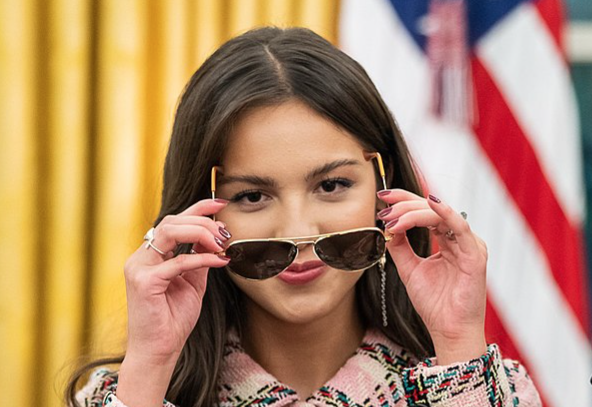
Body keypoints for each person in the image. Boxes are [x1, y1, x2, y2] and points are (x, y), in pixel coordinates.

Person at [67, 27, 541, 407]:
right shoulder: (125, 395)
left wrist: (458, 346)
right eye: (252, 195)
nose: (299, 232)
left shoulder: (490, 388)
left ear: (384, 186)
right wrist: (150, 369)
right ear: (198, 208)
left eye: (332, 186)